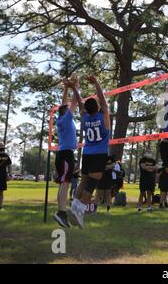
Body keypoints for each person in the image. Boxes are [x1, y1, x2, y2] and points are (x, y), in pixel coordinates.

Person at [67, 75, 110, 229]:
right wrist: (97, 82)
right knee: (90, 185)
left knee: (83, 181)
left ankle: (73, 208)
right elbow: (102, 99)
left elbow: (79, 102)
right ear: (98, 107)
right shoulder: (103, 115)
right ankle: (78, 213)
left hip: (87, 153)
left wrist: (74, 88)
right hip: (99, 154)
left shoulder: (85, 117)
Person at [53, 76, 79, 227]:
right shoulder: (67, 118)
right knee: (65, 184)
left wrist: (66, 88)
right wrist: (75, 86)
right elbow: (74, 102)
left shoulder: (60, 119)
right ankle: (61, 213)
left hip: (63, 154)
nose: (70, 107)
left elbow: (64, 103)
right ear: (66, 111)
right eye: (68, 108)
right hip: (65, 155)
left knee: (64, 183)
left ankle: (61, 212)